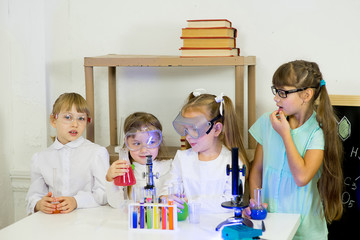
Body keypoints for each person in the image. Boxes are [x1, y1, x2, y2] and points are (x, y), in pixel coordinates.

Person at [246, 60, 343, 239]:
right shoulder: (267, 123)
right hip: (270, 227)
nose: (276, 98)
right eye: (276, 91)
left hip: (305, 233)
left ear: (306, 95)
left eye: (283, 93)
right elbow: (257, 170)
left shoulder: (317, 132)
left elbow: (301, 177)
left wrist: (285, 135)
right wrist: (256, 203)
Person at [160, 89, 249, 213]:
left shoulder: (232, 161)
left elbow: (231, 201)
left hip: (220, 228)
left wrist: (189, 203)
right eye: (185, 129)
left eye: (195, 129)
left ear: (217, 129)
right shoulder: (182, 158)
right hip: (186, 228)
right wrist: (165, 198)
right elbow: (168, 190)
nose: (188, 136)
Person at [26, 92, 109, 214]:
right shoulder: (40, 158)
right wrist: (39, 204)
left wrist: (76, 201)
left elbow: (104, 194)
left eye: (81, 118)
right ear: (53, 120)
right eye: (68, 117)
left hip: (87, 222)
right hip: (53, 223)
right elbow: (33, 196)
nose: (75, 124)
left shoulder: (97, 153)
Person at [106, 112, 172, 208]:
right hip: (134, 220)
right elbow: (116, 204)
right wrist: (109, 179)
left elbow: (170, 199)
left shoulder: (169, 167)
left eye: (151, 142)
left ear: (159, 141)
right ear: (127, 143)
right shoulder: (124, 171)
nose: (144, 150)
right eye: (136, 143)